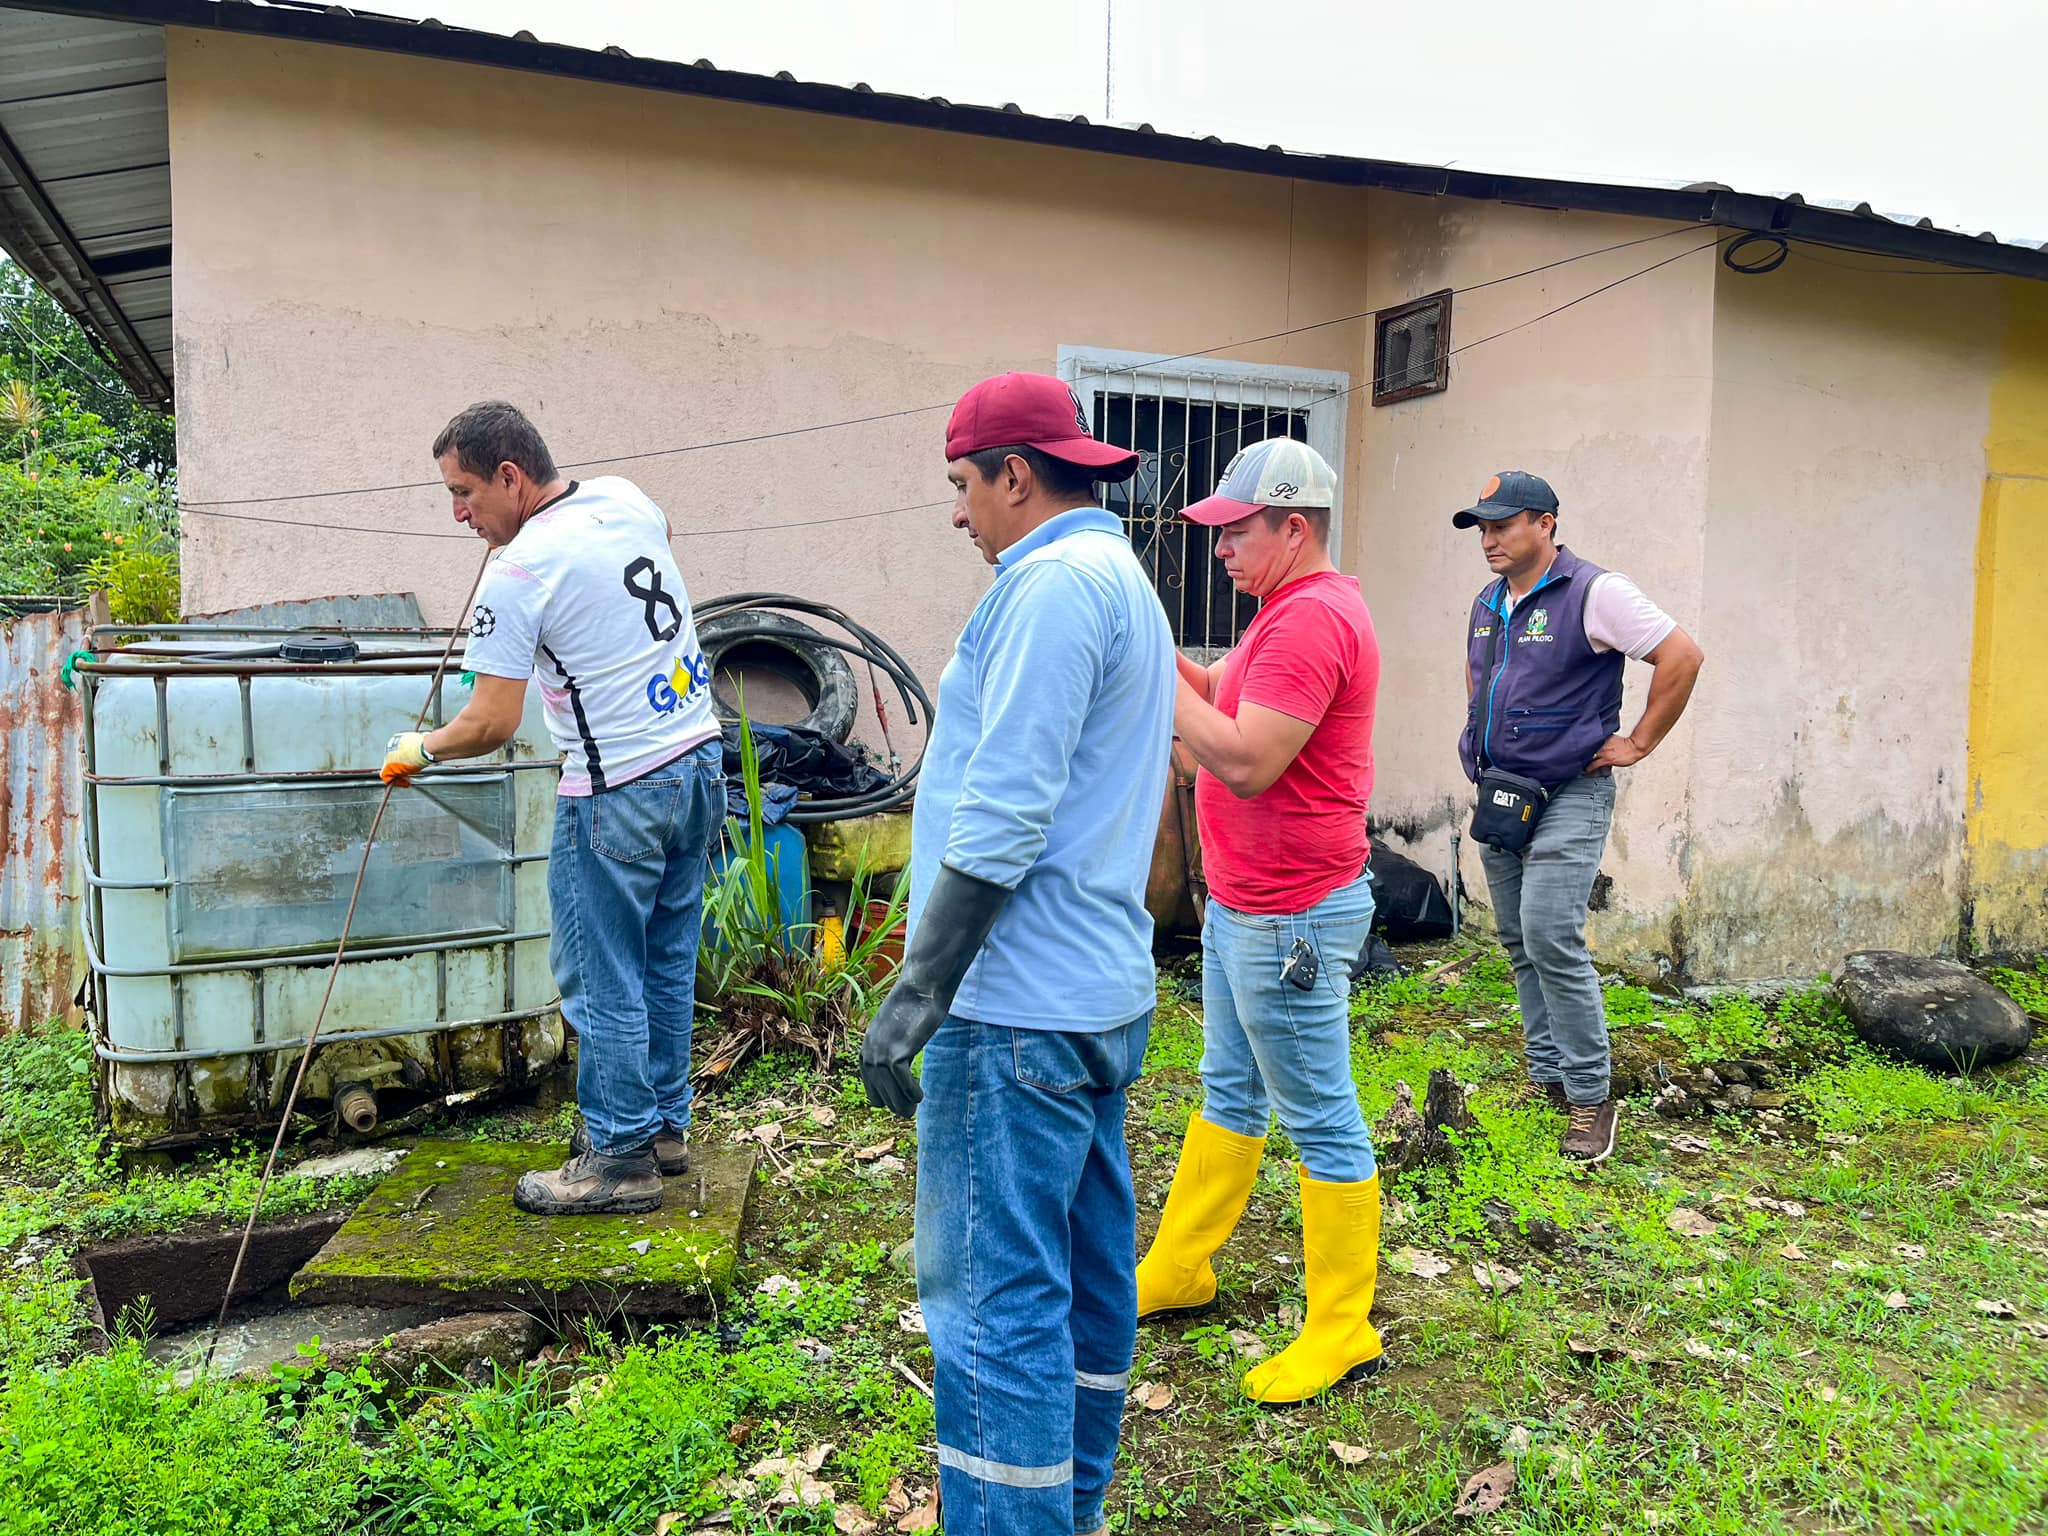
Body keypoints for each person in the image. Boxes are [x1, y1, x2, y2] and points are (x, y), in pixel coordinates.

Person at [857, 371, 1173, 1536]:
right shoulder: (1119, 579)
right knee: (1083, 1283)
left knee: (993, 1306)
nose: (957, 513)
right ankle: (1067, 1513)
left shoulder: (1045, 588)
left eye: (962, 484)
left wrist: (915, 994)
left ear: (1015, 475)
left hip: (1015, 1009)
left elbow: (1002, 818)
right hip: (1092, 996)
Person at [381, 400, 723, 1215]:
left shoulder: (520, 571)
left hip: (618, 789)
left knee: (599, 972)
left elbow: (491, 723)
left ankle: (619, 1158)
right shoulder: (624, 497)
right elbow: (655, 542)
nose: (458, 514)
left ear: (511, 476)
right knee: (665, 959)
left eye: (463, 492)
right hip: (698, 760)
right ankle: (662, 1129)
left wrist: (420, 748)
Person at [1133, 436, 1386, 1405]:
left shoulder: (1311, 619)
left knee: (1319, 1115)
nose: (1221, 549)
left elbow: (1243, 760)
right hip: (1251, 904)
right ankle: (1179, 1268)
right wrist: (1151, 647)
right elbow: (1215, 697)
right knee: (1229, 1090)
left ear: (1293, 527)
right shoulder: (1281, 612)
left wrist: (1160, 688)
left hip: (1291, 915)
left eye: (1236, 531)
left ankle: (1342, 1328)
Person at [1454, 471, 1704, 1163]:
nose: (1489, 539)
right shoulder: (1488, 602)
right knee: (1518, 939)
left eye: (1503, 525)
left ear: (1546, 524)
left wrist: (1640, 741)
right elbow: (1482, 682)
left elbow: (1682, 655)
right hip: (1503, 792)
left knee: (1549, 933)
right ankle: (1549, 1078)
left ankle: (1592, 1096)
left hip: (1569, 790)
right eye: (1483, 527)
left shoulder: (1596, 592)